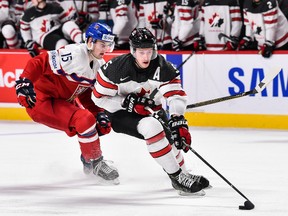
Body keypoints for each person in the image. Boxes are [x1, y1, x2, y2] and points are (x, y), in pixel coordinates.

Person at [92, 27, 210, 195]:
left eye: (149, 52)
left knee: (172, 138)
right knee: (153, 127)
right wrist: (126, 103)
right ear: (133, 51)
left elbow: (175, 95)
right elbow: (98, 98)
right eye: (141, 52)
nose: (146, 57)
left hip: (150, 109)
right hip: (119, 113)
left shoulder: (162, 66)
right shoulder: (115, 69)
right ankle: (177, 178)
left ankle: (183, 174)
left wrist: (177, 118)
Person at [14, 22, 119, 184]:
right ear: (90, 42)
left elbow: (84, 93)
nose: (105, 49)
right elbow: (39, 62)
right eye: (102, 44)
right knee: (84, 119)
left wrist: (98, 112)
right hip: (40, 100)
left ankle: (88, 159)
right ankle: (95, 162)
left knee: (95, 123)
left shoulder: (99, 65)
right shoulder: (75, 54)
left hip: (60, 101)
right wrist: (24, 82)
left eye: (108, 45)